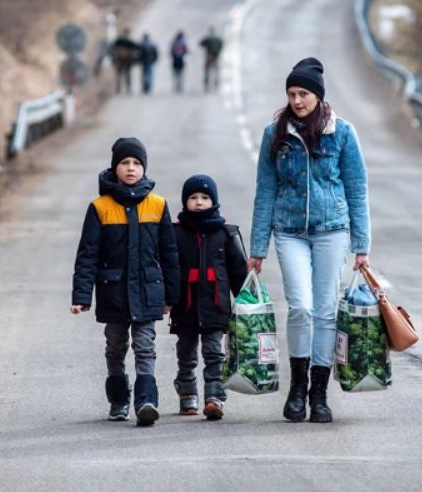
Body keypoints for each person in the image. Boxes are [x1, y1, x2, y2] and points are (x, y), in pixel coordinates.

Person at [248, 58, 371, 424]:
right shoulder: (275, 134)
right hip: (289, 232)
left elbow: (357, 189)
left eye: (303, 93)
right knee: (300, 307)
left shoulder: (343, 133)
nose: (297, 100)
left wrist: (362, 246)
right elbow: (265, 191)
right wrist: (257, 249)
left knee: (326, 310)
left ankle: (320, 394)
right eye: (291, 93)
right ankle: (297, 389)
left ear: (317, 95)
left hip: (333, 229)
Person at [71, 137, 180, 426]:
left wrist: (171, 295)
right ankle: (119, 400)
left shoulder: (157, 205)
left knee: (145, 346)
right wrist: (82, 296)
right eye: (124, 163)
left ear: (144, 168)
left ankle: (146, 401)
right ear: (114, 167)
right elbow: (88, 254)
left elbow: (169, 255)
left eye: (136, 163)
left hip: (147, 291)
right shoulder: (100, 207)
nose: (131, 168)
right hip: (113, 293)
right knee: (115, 346)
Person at [169, 174, 248, 420]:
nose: (199, 202)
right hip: (185, 307)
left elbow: (238, 272)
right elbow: (169, 269)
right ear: (185, 202)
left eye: (205, 197)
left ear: (214, 201)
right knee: (186, 354)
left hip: (216, 306)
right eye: (193, 197)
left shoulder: (225, 233)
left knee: (214, 353)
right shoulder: (176, 233)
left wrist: (245, 300)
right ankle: (187, 394)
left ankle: (214, 397)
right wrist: (167, 299)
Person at [111, 28, 139, 94]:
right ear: (128, 33)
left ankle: (118, 89)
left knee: (119, 75)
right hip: (127, 61)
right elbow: (136, 49)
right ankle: (128, 89)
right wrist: (135, 59)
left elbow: (113, 48)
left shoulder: (119, 40)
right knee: (127, 75)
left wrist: (113, 60)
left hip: (119, 61)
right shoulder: (129, 41)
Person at [198, 26, 224, 92]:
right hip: (215, 56)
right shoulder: (218, 39)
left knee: (207, 71)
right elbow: (222, 44)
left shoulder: (208, 38)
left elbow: (200, 44)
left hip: (209, 56)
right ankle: (216, 82)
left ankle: (206, 84)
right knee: (216, 70)